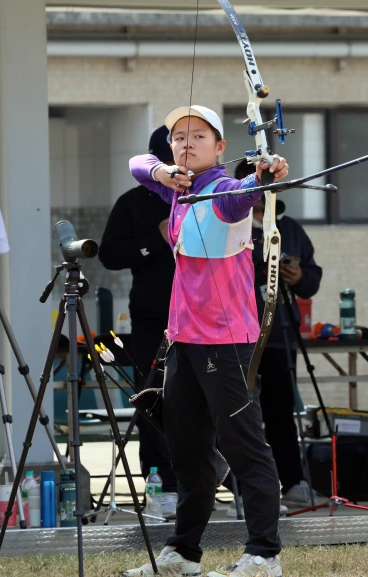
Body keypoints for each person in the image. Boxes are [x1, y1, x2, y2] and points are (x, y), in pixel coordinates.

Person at [123, 105, 288, 577]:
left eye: (198, 136)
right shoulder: (177, 187)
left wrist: (265, 170)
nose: (186, 143)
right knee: (188, 450)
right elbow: (137, 165)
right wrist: (161, 170)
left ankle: (263, 554)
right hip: (184, 339)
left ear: (219, 147)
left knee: (243, 445)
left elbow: (250, 191)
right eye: (178, 137)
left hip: (227, 340)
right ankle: (183, 553)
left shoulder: (224, 191)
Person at [98, 125, 179, 519]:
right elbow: (109, 254)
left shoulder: (201, 195)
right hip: (152, 316)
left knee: (211, 398)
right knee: (154, 399)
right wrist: (155, 240)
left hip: (204, 315)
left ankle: (228, 482)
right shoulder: (133, 202)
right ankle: (161, 482)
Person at [235, 159, 323, 513]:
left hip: (281, 333)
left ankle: (293, 482)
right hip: (240, 334)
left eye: (270, 181)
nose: (265, 187)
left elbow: (313, 278)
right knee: (241, 413)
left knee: (282, 412)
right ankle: (242, 487)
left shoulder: (290, 227)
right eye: (258, 180)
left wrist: (297, 276)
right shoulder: (232, 223)